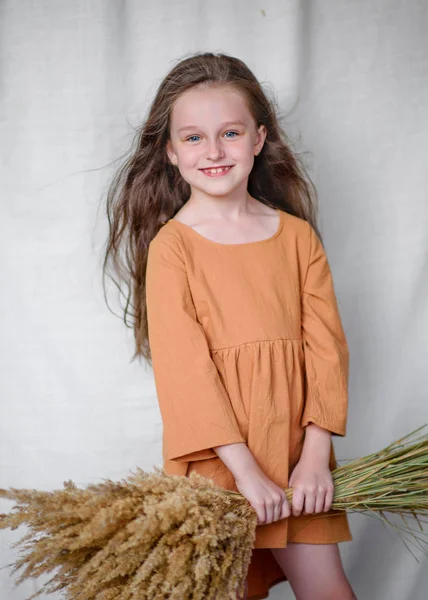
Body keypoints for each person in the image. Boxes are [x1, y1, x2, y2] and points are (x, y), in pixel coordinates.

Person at [103, 52, 358, 600]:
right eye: (193, 138)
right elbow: (187, 376)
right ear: (170, 152)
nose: (214, 151)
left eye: (231, 132)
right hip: (220, 469)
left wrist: (314, 458)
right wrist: (245, 474)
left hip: (296, 466)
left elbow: (327, 351)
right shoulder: (172, 250)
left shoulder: (297, 239)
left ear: (259, 139)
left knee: (330, 592)